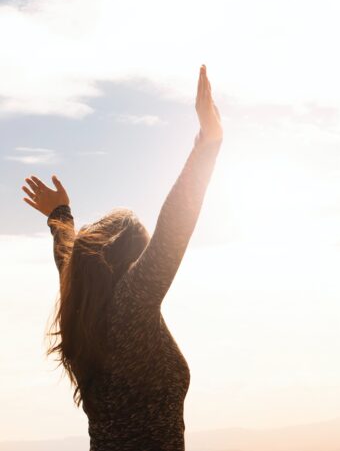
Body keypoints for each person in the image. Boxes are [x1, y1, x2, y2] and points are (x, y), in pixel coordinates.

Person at [20, 65, 223, 450]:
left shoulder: (83, 313)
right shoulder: (130, 308)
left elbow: (68, 260)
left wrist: (60, 217)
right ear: (130, 260)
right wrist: (207, 143)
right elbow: (173, 229)